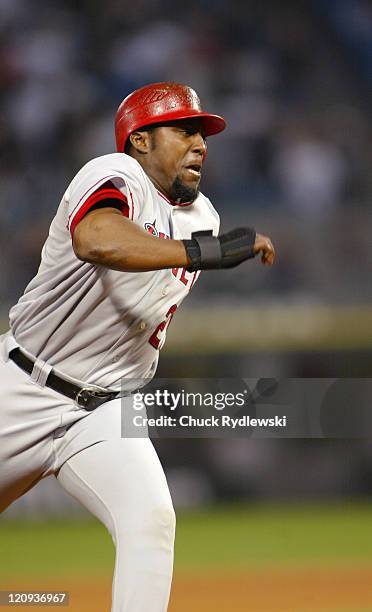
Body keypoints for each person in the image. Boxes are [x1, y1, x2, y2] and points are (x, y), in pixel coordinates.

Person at [0, 82, 275, 612]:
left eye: (203, 133)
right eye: (184, 130)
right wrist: (204, 253)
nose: (200, 144)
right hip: (24, 386)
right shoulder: (114, 173)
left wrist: (203, 249)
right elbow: (97, 239)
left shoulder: (204, 218)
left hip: (105, 410)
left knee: (150, 523)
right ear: (141, 140)